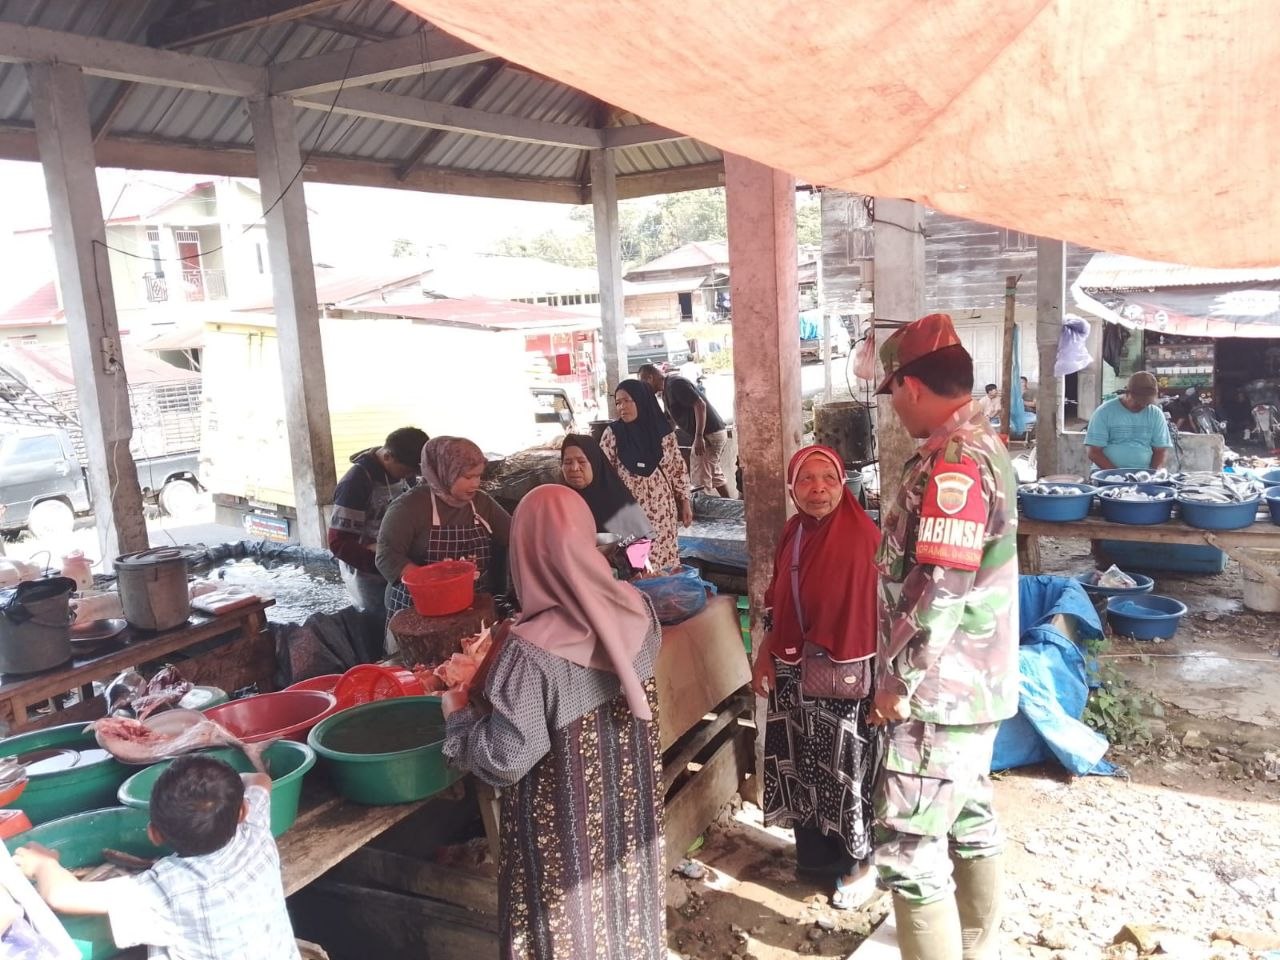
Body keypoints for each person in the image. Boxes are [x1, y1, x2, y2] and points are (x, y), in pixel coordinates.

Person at [442, 485, 664, 960]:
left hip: (565, 832)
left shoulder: (529, 653)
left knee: (570, 926)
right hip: (630, 806)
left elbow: (505, 759)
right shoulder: (638, 607)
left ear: (522, 550)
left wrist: (458, 717)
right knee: (625, 906)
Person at [871, 313, 1020, 960]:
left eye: (892, 393)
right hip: (974, 681)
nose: (894, 407)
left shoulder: (954, 463)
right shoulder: (984, 445)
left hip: (939, 690)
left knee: (910, 846)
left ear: (910, 385)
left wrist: (896, 681)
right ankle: (979, 946)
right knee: (968, 814)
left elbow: (940, 589)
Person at [751, 444, 883, 910]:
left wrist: (885, 685)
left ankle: (859, 863)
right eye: (806, 479)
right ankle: (817, 857)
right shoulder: (794, 531)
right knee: (803, 764)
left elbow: (882, 619)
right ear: (792, 487)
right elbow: (777, 598)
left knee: (844, 770)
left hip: (844, 677)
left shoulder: (863, 537)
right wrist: (765, 654)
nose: (818, 489)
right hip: (793, 670)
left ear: (843, 484)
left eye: (828, 478)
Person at [14, 755, 299, 960]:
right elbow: (260, 780)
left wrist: (43, 864)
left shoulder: (168, 888)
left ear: (154, 834)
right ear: (243, 812)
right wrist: (226, 791)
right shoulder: (254, 831)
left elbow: (63, 895)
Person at [376, 436, 511, 623]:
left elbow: (514, 537)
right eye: (467, 477)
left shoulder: (482, 503)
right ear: (443, 472)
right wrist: (433, 584)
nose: (475, 483)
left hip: (469, 604)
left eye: (478, 476)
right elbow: (387, 556)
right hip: (418, 607)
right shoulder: (408, 507)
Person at [328, 426, 429, 623]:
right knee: (378, 622)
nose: (408, 476)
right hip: (368, 571)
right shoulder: (355, 483)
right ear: (388, 456)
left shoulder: (406, 470)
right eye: (406, 470)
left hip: (401, 562)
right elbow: (338, 542)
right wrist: (383, 564)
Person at [600, 379, 692, 572]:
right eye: (618, 402)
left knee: (664, 563)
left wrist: (685, 502)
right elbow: (604, 473)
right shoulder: (613, 434)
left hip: (661, 511)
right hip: (629, 513)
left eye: (627, 400)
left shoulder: (663, 433)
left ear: (642, 400)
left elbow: (677, 469)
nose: (622, 407)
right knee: (638, 567)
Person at [637, 363, 731, 498]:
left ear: (650, 378)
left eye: (643, 382)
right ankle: (733, 506)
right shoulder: (666, 392)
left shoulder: (675, 384)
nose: (643, 388)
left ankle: (703, 508)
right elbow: (670, 422)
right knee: (714, 475)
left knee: (700, 481)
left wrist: (699, 436)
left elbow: (700, 405)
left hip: (708, 435)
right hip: (712, 434)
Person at [559, 434, 652, 540]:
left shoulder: (619, 504)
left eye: (581, 461)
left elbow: (640, 545)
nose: (574, 468)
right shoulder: (558, 502)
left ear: (595, 464)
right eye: (567, 462)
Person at [1084, 371, 1172, 471]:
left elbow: (1160, 451)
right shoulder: (1104, 412)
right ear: (1127, 393)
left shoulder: (1155, 414)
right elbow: (1094, 452)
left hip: (1143, 474)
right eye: (1138, 402)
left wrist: (1153, 473)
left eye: (1147, 403)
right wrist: (1117, 474)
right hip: (1106, 473)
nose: (1142, 405)